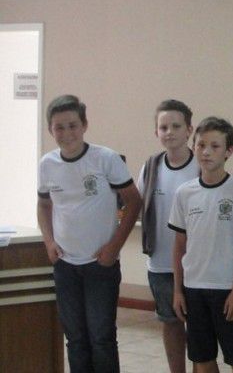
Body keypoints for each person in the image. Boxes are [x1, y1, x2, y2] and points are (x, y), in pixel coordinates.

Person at [37, 94, 142, 373]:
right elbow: (44, 204)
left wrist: (114, 247)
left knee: (101, 338)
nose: (66, 133)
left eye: (72, 125)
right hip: (65, 264)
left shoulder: (105, 159)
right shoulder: (47, 164)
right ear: (50, 130)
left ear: (84, 125)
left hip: (100, 264)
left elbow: (134, 202)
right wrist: (49, 242)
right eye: (59, 127)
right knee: (75, 339)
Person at [169, 116, 233, 373]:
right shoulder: (184, 193)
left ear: (229, 151)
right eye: (201, 145)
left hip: (227, 288)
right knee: (202, 358)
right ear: (193, 146)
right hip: (194, 288)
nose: (206, 152)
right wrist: (178, 291)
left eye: (215, 146)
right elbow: (179, 246)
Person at [137, 99, 200, 373]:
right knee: (170, 322)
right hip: (161, 263)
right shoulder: (151, 167)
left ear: (189, 130)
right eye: (163, 127)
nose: (169, 132)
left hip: (197, 265)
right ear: (156, 132)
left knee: (199, 328)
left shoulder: (201, 165)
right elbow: (136, 204)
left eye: (176, 126)